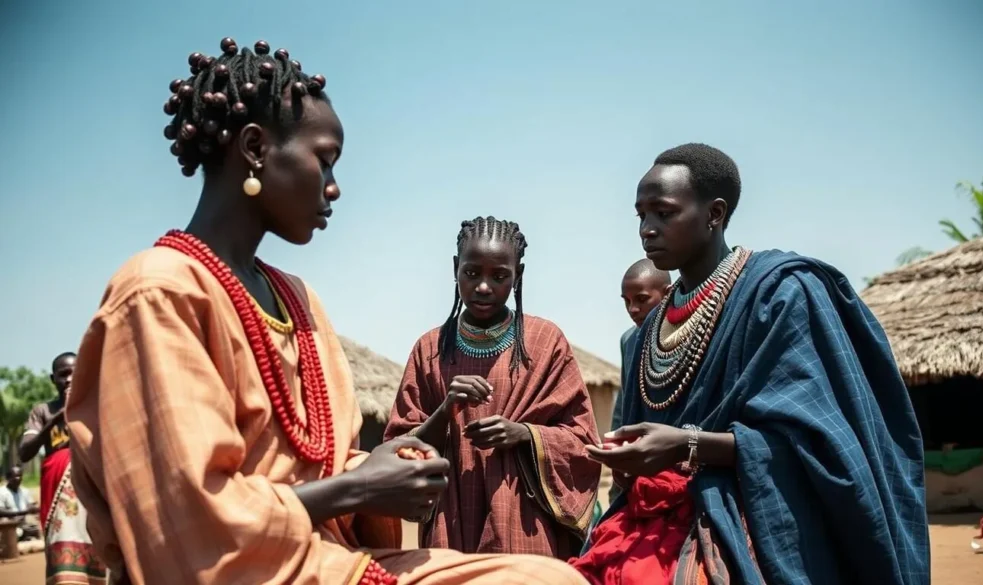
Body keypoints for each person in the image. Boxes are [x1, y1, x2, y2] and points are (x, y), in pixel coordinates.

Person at [66, 38, 586, 585]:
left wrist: (395, 467)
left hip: (330, 554)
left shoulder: (298, 299)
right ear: (254, 148)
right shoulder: (159, 292)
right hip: (251, 569)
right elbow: (188, 518)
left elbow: (328, 463)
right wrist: (364, 484)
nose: (334, 188)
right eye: (324, 161)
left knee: (553, 577)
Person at [573, 143, 929, 584]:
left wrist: (688, 445)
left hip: (750, 516)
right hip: (654, 515)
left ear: (714, 214)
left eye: (663, 213)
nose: (647, 229)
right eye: (640, 215)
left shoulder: (782, 294)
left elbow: (824, 444)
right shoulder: (651, 329)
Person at [384, 217, 601, 559]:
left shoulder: (545, 342)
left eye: (499, 276)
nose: (483, 287)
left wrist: (525, 434)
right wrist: (446, 410)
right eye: (472, 273)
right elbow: (398, 449)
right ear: (455, 269)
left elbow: (583, 442)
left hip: (525, 521)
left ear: (519, 275)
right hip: (451, 519)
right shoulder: (429, 349)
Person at [20, 352, 105, 583]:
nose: (69, 379)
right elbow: (25, 451)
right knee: (63, 559)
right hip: (58, 498)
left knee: (98, 548)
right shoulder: (42, 412)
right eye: (62, 374)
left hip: (91, 494)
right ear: (52, 379)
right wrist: (59, 417)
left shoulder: (95, 408)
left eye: (74, 372)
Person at [607, 260, 670, 502]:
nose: (633, 309)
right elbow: (623, 407)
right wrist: (615, 454)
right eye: (627, 301)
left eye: (642, 299)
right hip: (639, 463)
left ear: (666, 294)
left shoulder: (689, 335)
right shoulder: (629, 341)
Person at [0, 466, 41, 540]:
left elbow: (30, 506)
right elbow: (1, 511)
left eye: (20, 476)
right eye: (15, 476)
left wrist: (35, 508)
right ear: (8, 478)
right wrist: (20, 513)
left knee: (35, 529)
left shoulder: (24, 491)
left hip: (22, 524)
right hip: (8, 526)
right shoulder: (2, 492)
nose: (18, 478)